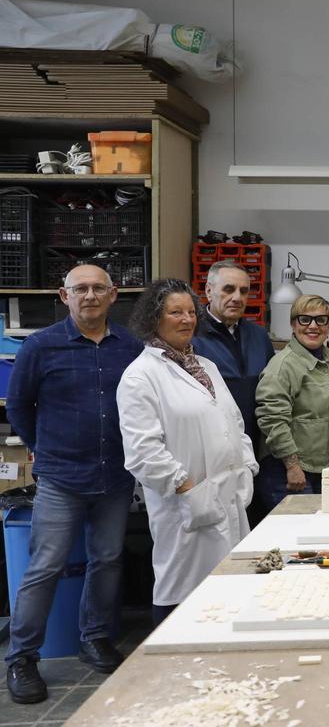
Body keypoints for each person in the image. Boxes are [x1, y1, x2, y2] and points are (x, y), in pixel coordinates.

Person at [4, 265, 144, 704]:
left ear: (113, 295)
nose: (89, 295)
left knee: (107, 560)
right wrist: (43, 450)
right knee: (45, 567)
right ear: (64, 296)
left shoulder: (132, 348)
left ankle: (95, 637)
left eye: (97, 288)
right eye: (79, 289)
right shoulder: (40, 347)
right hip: (62, 478)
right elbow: (21, 407)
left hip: (116, 476)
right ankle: (23, 658)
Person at [117, 279, 258, 625]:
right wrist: (186, 489)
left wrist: (247, 468)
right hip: (185, 507)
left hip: (227, 497)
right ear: (153, 318)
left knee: (224, 595)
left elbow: (234, 422)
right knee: (181, 593)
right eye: (175, 312)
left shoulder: (205, 367)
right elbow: (142, 452)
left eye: (191, 312)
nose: (186, 319)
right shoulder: (141, 376)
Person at [254, 294, 329, 509]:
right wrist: (292, 466)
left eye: (321, 320)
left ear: (328, 326)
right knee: (293, 537)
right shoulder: (283, 365)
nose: (313, 326)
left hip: (320, 467)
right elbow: (272, 419)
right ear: (293, 324)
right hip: (290, 471)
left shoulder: (328, 359)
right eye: (305, 319)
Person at [191, 260, 275, 459]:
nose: (237, 297)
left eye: (244, 291)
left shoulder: (259, 336)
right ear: (209, 291)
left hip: (255, 448)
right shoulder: (191, 337)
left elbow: (271, 390)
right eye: (228, 289)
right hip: (210, 450)